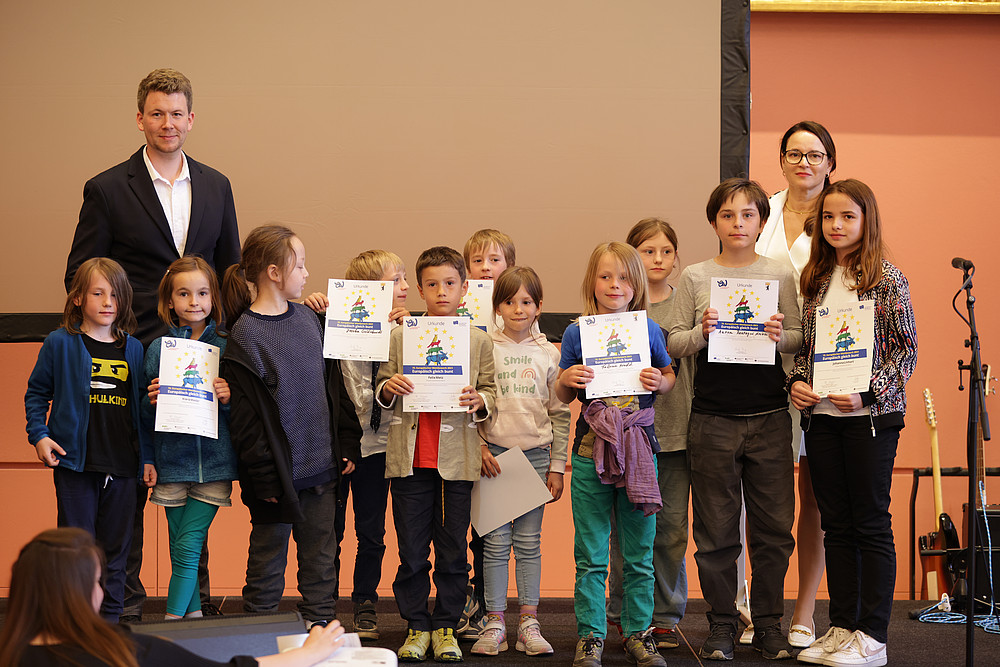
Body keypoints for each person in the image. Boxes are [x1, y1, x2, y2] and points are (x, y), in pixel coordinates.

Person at [64, 67, 240, 622]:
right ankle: (127, 608)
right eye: (157, 113)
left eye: (177, 113)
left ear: (192, 118)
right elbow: (80, 273)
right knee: (132, 485)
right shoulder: (107, 188)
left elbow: (230, 273)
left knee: (194, 479)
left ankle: (193, 611)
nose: (168, 123)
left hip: (200, 359)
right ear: (140, 118)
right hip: (132, 354)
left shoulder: (216, 185)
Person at [666, 179, 801, 661]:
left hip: (770, 419)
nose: (738, 223)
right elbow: (674, 342)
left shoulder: (780, 274)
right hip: (712, 421)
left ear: (762, 222)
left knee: (774, 531)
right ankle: (722, 623)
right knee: (715, 533)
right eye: (727, 215)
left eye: (747, 215)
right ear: (713, 222)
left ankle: (768, 625)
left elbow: (800, 338)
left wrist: (780, 334)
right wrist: (701, 333)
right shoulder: (695, 276)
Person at [789, 180, 916, 667]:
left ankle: (873, 636)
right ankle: (842, 626)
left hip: (871, 419)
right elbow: (808, 351)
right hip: (822, 419)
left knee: (870, 523)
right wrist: (797, 383)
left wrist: (867, 393)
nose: (836, 225)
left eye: (847, 217)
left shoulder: (887, 279)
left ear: (867, 221)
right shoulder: (817, 278)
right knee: (836, 525)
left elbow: (906, 351)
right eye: (828, 217)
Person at [221, 225, 362, 628]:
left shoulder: (309, 320)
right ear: (274, 273)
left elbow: (333, 389)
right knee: (268, 562)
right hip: (275, 479)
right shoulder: (245, 336)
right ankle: (258, 633)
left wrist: (346, 443)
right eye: (299, 265)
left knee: (320, 561)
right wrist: (264, 477)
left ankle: (320, 631)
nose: (306, 273)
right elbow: (247, 422)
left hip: (322, 471)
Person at [376, 246, 497, 662]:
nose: (441, 291)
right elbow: (381, 388)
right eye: (432, 284)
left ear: (464, 289)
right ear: (420, 289)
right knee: (411, 552)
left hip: (456, 462)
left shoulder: (478, 340)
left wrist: (480, 399)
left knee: (452, 552)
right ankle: (416, 625)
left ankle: (446, 625)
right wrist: (389, 388)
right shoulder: (400, 336)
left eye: (449, 283)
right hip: (409, 461)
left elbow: (491, 391)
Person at [557, 242, 676, 667]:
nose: (614, 285)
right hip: (590, 451)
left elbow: (668, 376)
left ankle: (639, 632)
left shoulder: (649, 330)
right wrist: (567, 379)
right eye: (605, 276)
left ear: (637, 283)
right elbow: (562, 393)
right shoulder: (576, 333)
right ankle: (590, 636)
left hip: (639, 451)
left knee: (640, 554)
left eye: (624, 277)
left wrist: (659, 381)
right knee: (590, 555)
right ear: (592, 282)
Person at [0, 527, 348, 667]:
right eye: (95, 581)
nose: (101, 591)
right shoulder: (120, 650)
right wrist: (307, 654)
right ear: (76, 592)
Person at [24, 258, 154, 622]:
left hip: (123, 468)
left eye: (115, 294)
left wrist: (147, 457)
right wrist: (39, 435)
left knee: (117, 554)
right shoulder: (59, 343)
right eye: (98, 293)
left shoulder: (134, 349)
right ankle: (75, 626)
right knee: (76, 553)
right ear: (79, 298)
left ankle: (108, 628)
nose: (108, 302)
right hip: (75, 466)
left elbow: (141, 412)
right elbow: (37, 393)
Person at [753, 120, 837, 649]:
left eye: (815, 154)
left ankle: (804, 610)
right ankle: (753, 605)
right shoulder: (760, 210)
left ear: (831, 162)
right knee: (758, 492)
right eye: (794, 154)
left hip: (821, 370)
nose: (804, 162)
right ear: (781, 160)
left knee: (814, 495)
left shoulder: (839, 212)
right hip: (758, 369)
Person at [302, 249, 411, 641]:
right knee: (329, 531)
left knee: (372, 532)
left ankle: (365, 602)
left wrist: (410, 331)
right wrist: (313, 309)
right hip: (337, 447)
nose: (406, 286)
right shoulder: (331, 323)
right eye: (396, 280)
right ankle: (324, 606)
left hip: (380, 446)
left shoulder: (404, 328)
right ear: (367, 288)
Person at [470, 266, 570, 657]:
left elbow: (559, 412)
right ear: (497, 307)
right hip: (494, 457)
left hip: (535, 456)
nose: (518, 309)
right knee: (494, 544)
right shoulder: (485, 348)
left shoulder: (549, 353)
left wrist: (557, 466)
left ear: (539, 306)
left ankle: (529, 623)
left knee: (529, 543)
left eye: (526, 302)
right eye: (509, 302)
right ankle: (494, 622)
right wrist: (479, 447)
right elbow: (471, 405)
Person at [606, 218, 692, 650]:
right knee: (626, 533)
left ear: (676, 258)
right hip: (625, 438)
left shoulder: (687, 300)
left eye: (666, 251)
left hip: (674, 432)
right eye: (647, 250)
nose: (658, 259)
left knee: (671, 530)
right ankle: (624, 615)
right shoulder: (613, 305)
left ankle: (665, 617)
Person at [142, 256, 237, 620]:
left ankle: (170, 623)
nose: (194, 301)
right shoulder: (158, 349)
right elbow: (143, 414)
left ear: (214, 297)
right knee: (180, 547)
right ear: (169, 301)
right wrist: (151, 401)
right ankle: (193, 618)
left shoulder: (227, 346)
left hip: (214, 465)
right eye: (183, 294)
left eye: (202, 293)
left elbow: (244, 410)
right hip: (172, 463)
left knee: (188, 544)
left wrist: (228, 398)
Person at [456, 228, 515, 640]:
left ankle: (487, 602)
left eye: (495, 260)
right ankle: (463, 599)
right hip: (465, 437)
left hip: (505, 437)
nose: (486, 268)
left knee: (492, 530)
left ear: (509, 266)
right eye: (477, 261)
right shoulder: (455, 314)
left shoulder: (517, 315)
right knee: (460, 523)